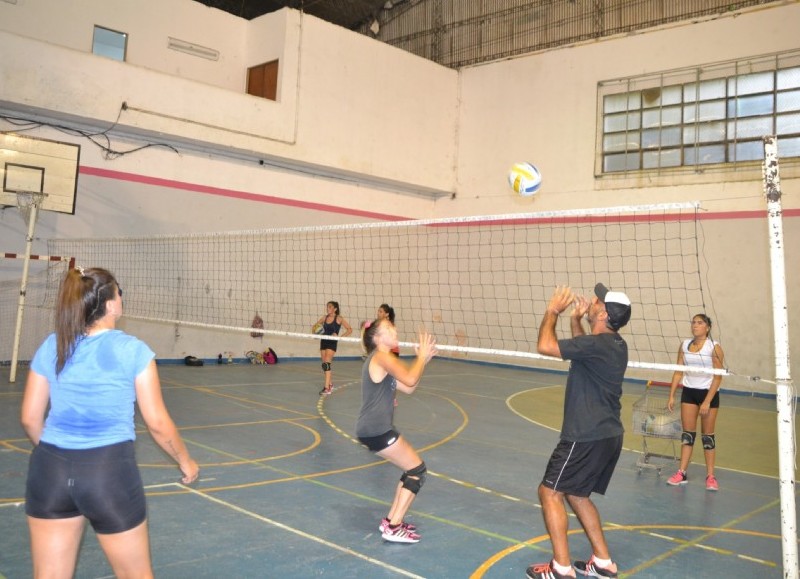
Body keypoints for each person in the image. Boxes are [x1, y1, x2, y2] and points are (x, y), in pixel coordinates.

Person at [19, 266, 199, 579]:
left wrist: (60, 456)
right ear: (111, 304)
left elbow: (30, 418)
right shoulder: (132, 350)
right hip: (108, 473)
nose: (121, 298)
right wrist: (185, 461)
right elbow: (156, 422)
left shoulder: (53, 344)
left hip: (49, 471)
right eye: (119, 293)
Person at [527, 284, 631, 579]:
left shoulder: (595, 346)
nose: (593, 300)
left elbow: (545, 346)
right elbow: (584, 351)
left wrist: (553, 312)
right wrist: (576, 321)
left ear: (602, 313)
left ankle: (561, 569)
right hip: (608, 434)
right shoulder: (614, 345)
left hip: (585, 435)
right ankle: (603, 562)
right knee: (578, 495)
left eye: (598, 301)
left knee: (549, 492)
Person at [356, 319, 437, 543]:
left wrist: (423, 361)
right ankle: (394, 526)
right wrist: (419, 357)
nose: (395, 330)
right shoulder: (381, 357)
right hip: (377, 429)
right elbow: (411, 376)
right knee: (417, 470)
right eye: (389, 329)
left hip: (373, 429)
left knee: (411, 469)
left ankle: (391, 520)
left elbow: (409, 387)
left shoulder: (382, 361)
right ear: (377, 338)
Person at [666, 314, 725, 491]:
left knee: (707, 437)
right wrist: (672, 395)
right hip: (689, 393)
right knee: (688, 435)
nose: (695, 325)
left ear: (707, 327)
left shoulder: (714, 348)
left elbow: (718, 376)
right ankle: (682, 472)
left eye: (700, 323)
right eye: (693, 322)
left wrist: (707, 401)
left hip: (709, 394)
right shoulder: (684, 345)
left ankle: (711, 477)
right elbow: (678, 371)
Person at [313, 300, 352, 396]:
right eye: (327, 307)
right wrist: (317, 331)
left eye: (330, 307)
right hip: (323, 341)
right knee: (324, 365)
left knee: (327, 363)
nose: (328, 308)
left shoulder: (339, 318)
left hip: (332, 343)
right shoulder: (324, 318)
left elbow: (349, 329)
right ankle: (330, 384)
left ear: (335, 309)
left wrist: (339, 337)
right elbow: (315, 327)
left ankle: (327, 388)